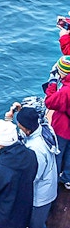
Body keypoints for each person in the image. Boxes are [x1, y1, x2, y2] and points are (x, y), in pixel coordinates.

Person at [5, 105, 58, 228]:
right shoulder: (44, 128)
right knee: (38, 221)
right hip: (49, 185)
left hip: (40, 195)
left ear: (28, 130)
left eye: (20, 127)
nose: (19, 130)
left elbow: (33, 176)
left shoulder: (36, 149)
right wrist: (15, 115)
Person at [44, 56, 70, 189]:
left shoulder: (66, 91)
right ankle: (68, 179)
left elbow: (49, 102)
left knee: (58, 154)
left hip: (63, 129)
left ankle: (54, 180)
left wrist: (53, 82)